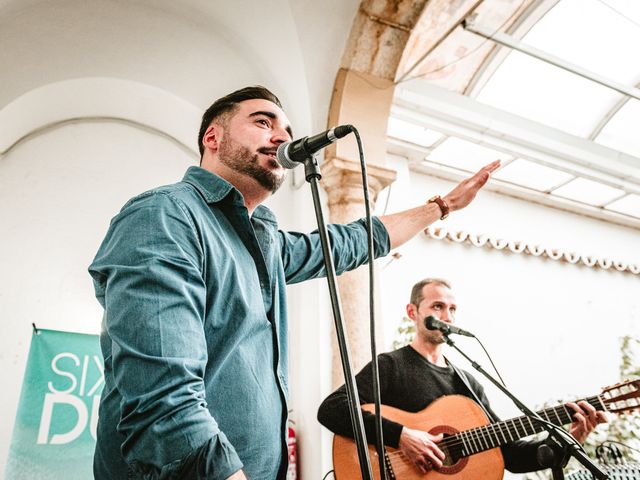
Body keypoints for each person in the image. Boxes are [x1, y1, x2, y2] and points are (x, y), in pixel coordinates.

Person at [89, 85, 500, 480]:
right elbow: (162, 394)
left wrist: (441, 206)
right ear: (212, 137)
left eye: (286, 130)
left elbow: (349, 241)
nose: (283, 137)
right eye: (264, 122)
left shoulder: (266, 244)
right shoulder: (165, 216)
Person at [317, 278, 608, 475]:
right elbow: (331, 409)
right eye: (437, 306)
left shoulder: (468, 383)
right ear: (412, 312)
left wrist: (570, 438)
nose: (447, 316)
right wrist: (403, 436)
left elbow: (511, 457)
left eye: (452, 309)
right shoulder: (391, 366)